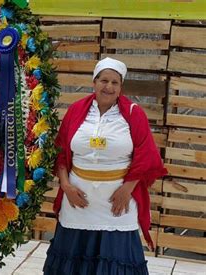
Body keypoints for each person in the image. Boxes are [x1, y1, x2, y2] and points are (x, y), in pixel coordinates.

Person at [43, 57, 167, 275]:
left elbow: (146, 155)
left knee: (116, 261)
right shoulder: (76, 111)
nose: (108, 87)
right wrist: (66, 187)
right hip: (78, 201)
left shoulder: (133, 114)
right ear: (94, 82)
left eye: (115, 82)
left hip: (116, 203)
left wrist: (127, 189)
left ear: (121, 87)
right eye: (103, 80)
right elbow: (61, 152)